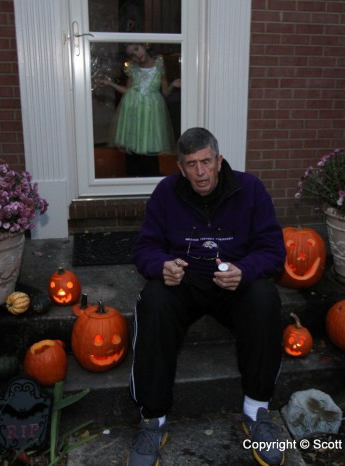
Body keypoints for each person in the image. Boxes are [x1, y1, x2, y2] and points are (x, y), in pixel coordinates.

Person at [128, 127, 287, 466]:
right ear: (180, 168)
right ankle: (153, 420)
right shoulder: (166, 193)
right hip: (184, 282)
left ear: (219, 160)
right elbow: (144, 249)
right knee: (153, 299)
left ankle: (256, 411)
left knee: (265, 297)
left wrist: (245, 271)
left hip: (233, 283)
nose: (200, 173)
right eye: (191, 165)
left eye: (206, 162)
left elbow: (273, 251)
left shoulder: (251, 190)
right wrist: (162, 266)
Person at [97, 43, 180, 177]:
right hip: (133, 110)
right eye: (132, 54)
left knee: (150, 148)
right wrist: (109, 84)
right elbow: (128, 90)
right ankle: (133, 180)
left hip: (151, 112)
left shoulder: (159, 64)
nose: (137, 55)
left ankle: (151, 181)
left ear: (144, 46)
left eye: (137, 49)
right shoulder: (133, 69)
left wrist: (172, 86)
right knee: (133, 148)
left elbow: (164, 92)